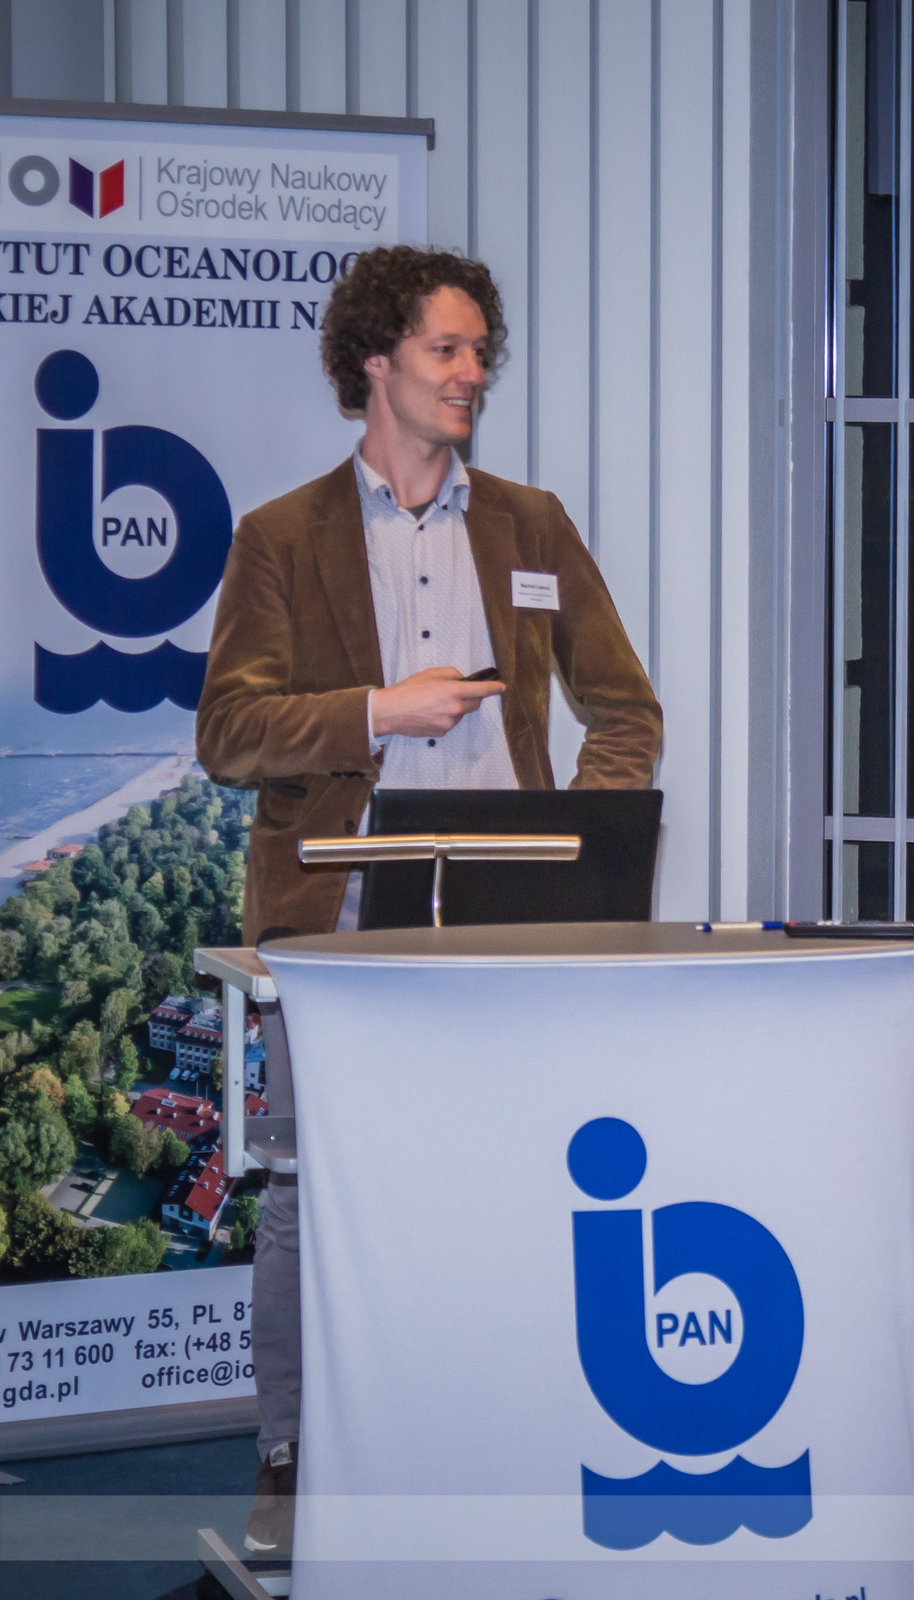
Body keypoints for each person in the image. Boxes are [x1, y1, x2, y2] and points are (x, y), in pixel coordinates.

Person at [194, 246, 663, 1554]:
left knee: (505, 1189)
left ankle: (491, 1444)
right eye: (446, 350)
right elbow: (228, 732)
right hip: (334, 932)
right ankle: (293, 1461)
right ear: (374, 363)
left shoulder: (531, 524)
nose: (470, 375)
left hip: (508, 930)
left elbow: (626, 711)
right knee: (308, 1198)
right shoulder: (281, 537)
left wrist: (575, 836)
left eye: (479, 353)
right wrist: (376, 713)